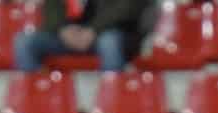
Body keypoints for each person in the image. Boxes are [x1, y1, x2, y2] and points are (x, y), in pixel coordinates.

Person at [13, 0, 156, 72]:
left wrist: (93, 30)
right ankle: (36, 101)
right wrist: (63, 29)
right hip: (67, 35)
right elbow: (52, 6)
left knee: (109, 42)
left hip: (108, 32)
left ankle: (112, 102)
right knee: (24, 42)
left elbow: (127, 8)